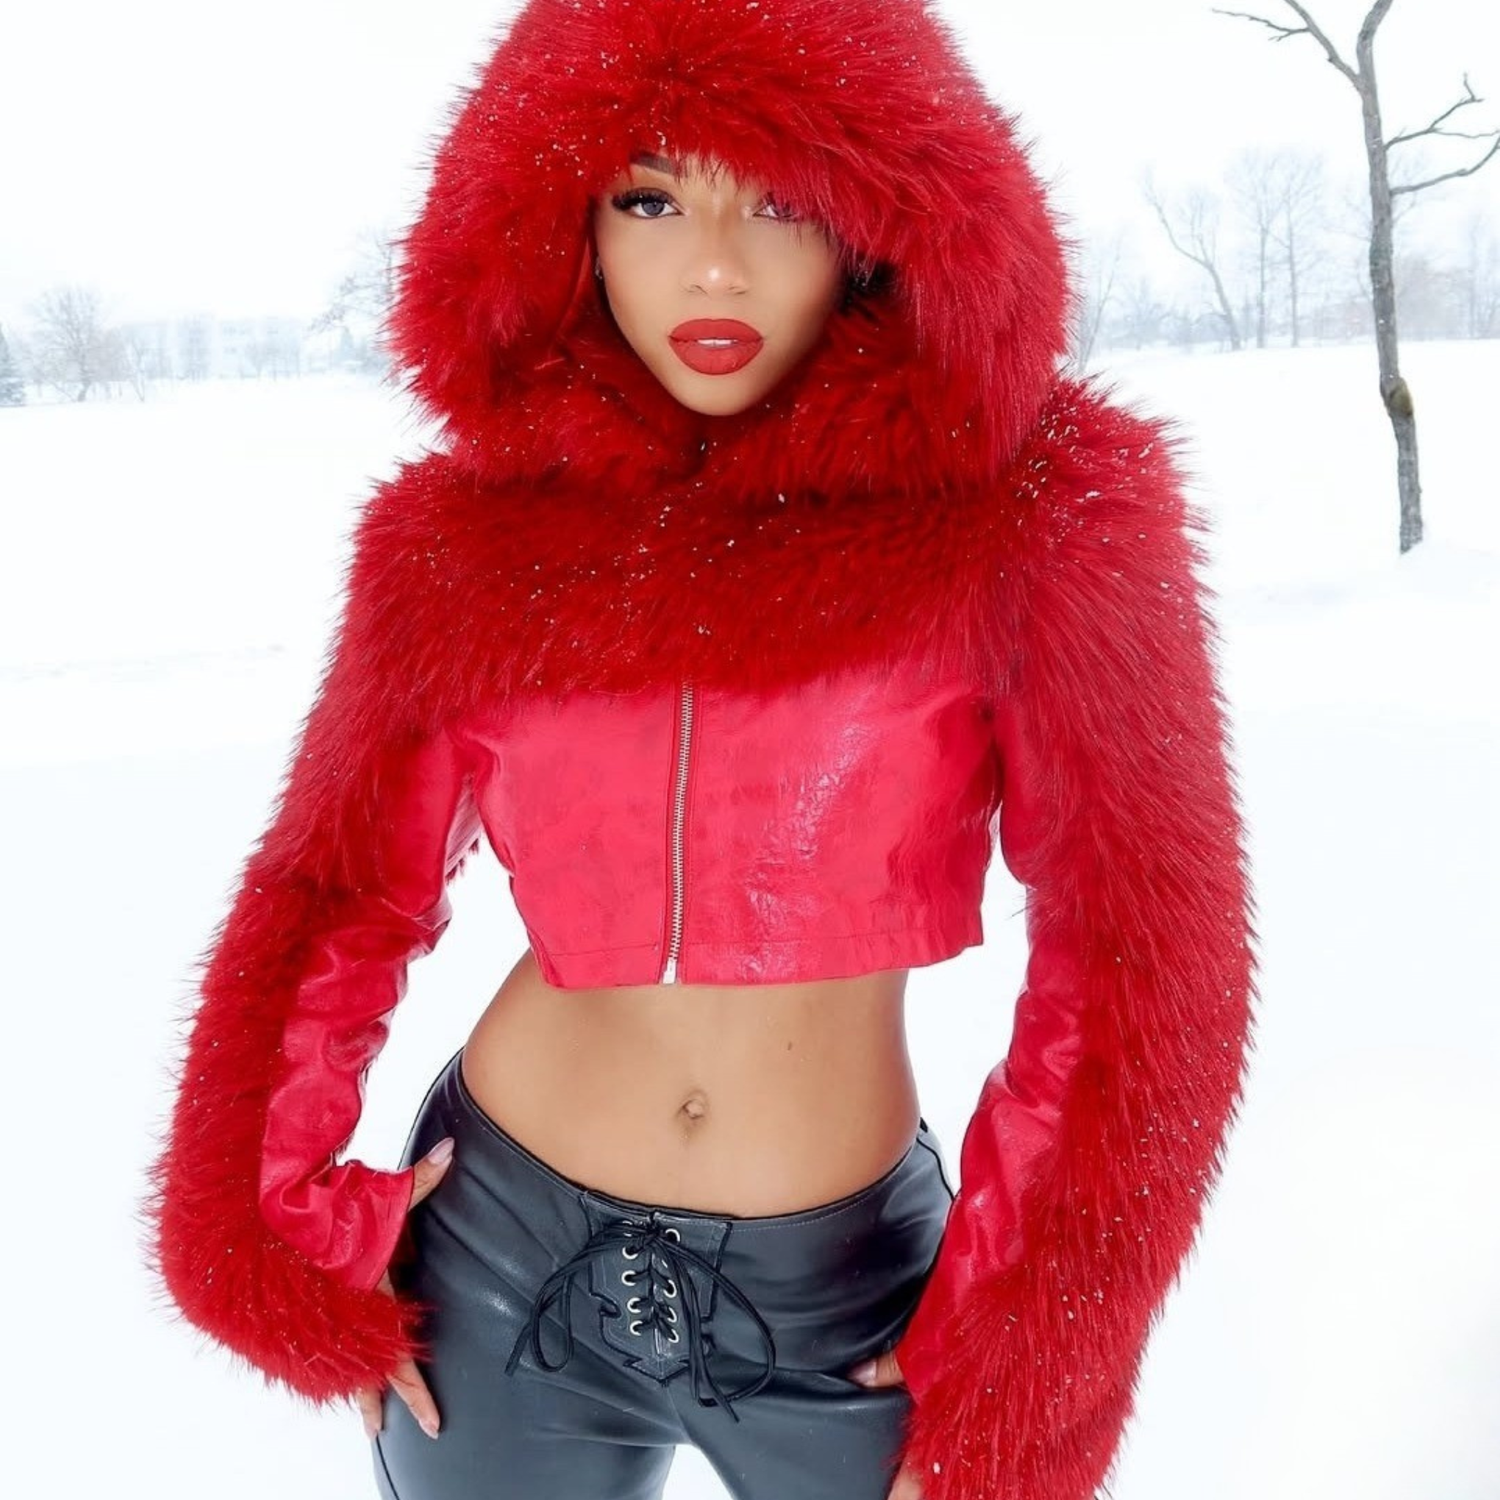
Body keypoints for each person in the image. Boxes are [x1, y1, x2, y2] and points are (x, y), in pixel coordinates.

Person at [141, 2, 1258, 1499]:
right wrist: (273, 1228)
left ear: (880, 227)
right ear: (562, 221)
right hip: (498, 1257)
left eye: (782, 200)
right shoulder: (466, 546)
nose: (714, 266)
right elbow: (337, 892)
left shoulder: (1034, 518)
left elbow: (1141, 951)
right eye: (652, 199)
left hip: (848, 1305)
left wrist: (1026, 1335)